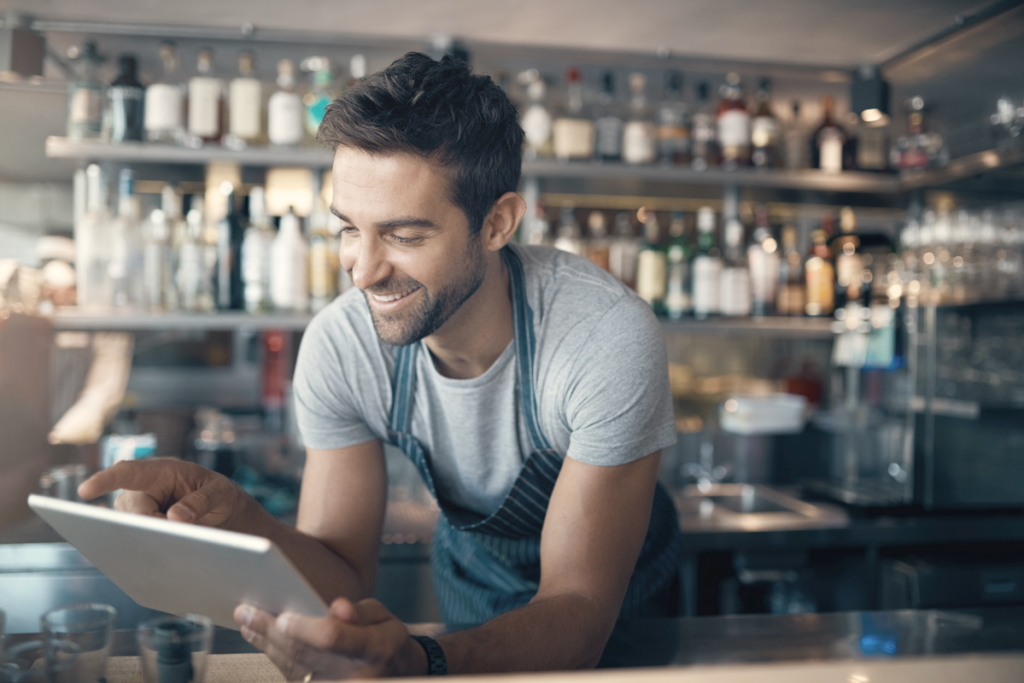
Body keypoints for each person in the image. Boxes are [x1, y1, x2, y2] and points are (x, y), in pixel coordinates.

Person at [79, 52, 682, 679]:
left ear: (497, 222)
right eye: (347, 228)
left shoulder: (602, 337)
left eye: (404, 235)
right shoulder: (343, 345)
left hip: (621, 625)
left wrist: (420, 661)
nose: (363, 271)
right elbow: (339, 572)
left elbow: (580, 610)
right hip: (469, 604)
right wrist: (240, 519)